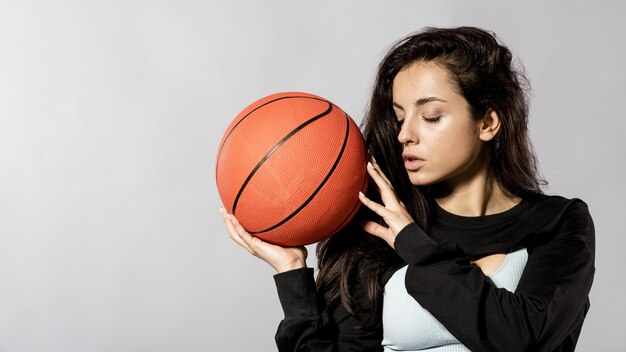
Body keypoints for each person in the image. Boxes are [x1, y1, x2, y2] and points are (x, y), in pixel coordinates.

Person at [220, 26, 595, 352]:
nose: (404, 135)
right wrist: (292, 274)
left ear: (488, 123)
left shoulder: (559, 223)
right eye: (400, 117)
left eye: (430, 116)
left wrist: (414, 244)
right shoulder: (378, 231)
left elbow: (521, 339)